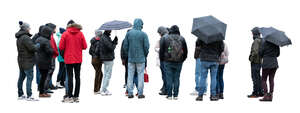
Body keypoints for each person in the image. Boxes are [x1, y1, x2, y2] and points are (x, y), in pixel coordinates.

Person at [59, 20, 87, 103]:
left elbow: (61, 47)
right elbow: (85, 46)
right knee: (77, 77)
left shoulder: (65, 34)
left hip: (68, 59)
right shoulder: (80, 33)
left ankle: (70, 96)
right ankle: (76, 96)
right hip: (78, 59)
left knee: (70, 77)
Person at [122, 18, 149, 99]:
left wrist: (128, 54)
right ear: (141, 24)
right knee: (140, 75)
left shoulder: (129, 34)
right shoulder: (144, 34)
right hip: (141, 59)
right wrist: (144, 55)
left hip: (131, 59)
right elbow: (146, 47)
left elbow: (125, 46)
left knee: (130, 75)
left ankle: (130, 93)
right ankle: (140, 93)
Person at [159, 25, 188, 100]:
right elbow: (185, 51)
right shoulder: (182, 38)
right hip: (179, 61)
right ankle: (175, 95)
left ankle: (169, 95)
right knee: (176, 78)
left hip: (167, 61)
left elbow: (161, 50)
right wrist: (183, 59)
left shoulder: (165, 38)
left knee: (169, 78)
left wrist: (162, 59)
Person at [16, 21, 39, 101]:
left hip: (21, 61)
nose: (30, 29)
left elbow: (27, 46)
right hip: (27, 61)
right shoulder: (25, 37)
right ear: (26, 28)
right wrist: (38, 45)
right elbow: (32, 48)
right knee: (29, 78)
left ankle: (20, 94)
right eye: (29, 28)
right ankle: (29, 95)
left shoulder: (20, 37)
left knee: (21, 78)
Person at [97, 30, 118, 96]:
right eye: (110, 30)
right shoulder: (105, 37)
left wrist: (114, 41)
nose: (111, 31)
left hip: (106, 58)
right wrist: (115, 43)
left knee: (106, 74)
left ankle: (103, 89)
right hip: (108, 58)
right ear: (107, 30)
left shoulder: (105, 37)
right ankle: (104, 89)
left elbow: (109, 45)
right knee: (108, 75)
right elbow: (111, 47)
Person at [36, 26, 54, 98]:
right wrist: (53, 50)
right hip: (45, 62)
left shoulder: (38, 39)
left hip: (39, 61)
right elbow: (49, 51)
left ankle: (41, 91)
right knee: (44, 77)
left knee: (42, 77)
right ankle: (42, 92)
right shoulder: (46, 41)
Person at [248, 27, 264, 98]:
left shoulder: (256, 41)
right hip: (259, 61)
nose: (251, 34)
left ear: (255, 33)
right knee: (258, 77)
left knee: (254, 77)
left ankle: (255, 93)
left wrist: (251, 58)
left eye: (252, 33)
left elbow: (255, 51)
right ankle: (260, 91)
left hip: (255, 61)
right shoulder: (261, 40)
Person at [44, 23, 59, 92]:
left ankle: (47, 86)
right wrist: (55, 53)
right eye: (55, 28)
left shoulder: (51, 36)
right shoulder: (49, 36)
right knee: (49, 72)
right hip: (51, 57)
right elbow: (51, 47)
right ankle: (45, 88)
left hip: (51, 56)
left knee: (49, 72)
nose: (55, 29)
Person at [89, 29, 103, 94]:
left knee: (100, 74)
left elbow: (90, 52)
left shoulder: (92, 41)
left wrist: (93, 55)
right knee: (98, 74)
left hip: (93, 60)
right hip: (97, 60)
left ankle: (98, 88)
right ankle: (96, 90)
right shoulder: (99, 42)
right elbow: (98, 52)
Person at [156, 26, 168, 95]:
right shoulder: (168, 36)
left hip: (163, 60)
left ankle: (165, 90)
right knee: (166, 75)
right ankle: (165, 88)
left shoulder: (164, 38)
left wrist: (159, 50)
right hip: (168, 59)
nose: (159, 34)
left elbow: (163, 49)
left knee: (164, 75)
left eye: (159, 33)